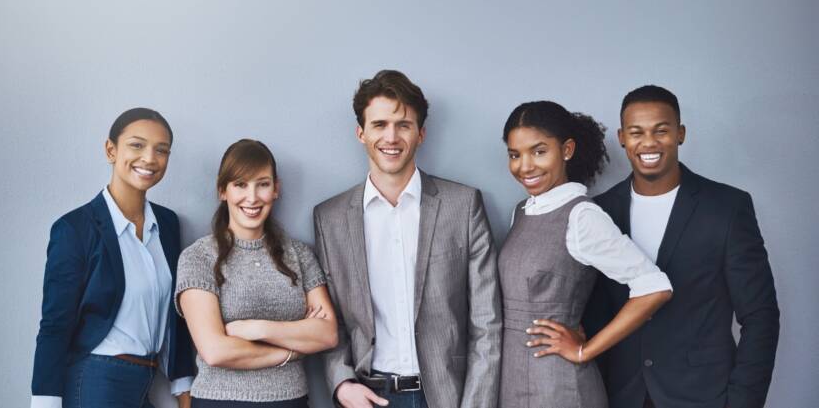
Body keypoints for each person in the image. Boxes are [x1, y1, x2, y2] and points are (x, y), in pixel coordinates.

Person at [313, 70, 502, 408]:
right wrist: (342, 384)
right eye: (380, 124)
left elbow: (486, 322)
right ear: (361, 133)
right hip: (369, 396)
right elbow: (332, 320)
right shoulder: (330, 218)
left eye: (403, 125)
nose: (392, 136)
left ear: (421, 134)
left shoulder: (463, 205)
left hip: (446, 398)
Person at [583, 85, 780, 408]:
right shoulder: (600, 211)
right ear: (621, 138)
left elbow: (761, 316)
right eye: (636, 132)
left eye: (661, 130)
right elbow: (596, 312)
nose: (648, 142)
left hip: (703, 396)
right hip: (620, 395)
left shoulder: (727, 207)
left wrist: (744, 402)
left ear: (681, 134)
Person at [499, 100, 673, 408]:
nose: (525, 166)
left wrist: (584, 350)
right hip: (512, 380)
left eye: (539, 151)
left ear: (566, 150)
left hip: (559, 388)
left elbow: (654, 288)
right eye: (515, 155)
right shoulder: (522, 211)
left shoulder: (581, 216)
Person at [31, 108, 194, 408]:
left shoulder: (168, 224)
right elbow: (55, 325)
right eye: (137, 145)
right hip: (95, 380)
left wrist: (183, 389)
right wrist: (45, 403)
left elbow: (175, 313)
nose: (149, 158)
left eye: (162, 150)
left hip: (146, 379)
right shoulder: (74, 229)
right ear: (111, 150)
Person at [176, 139, 338, 408]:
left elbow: (327, 334)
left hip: (290, 401)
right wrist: (291, 351)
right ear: (222, 191)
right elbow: (215, 351)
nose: (252, 198)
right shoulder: (198, 257)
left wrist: (254, 328)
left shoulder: (299, 254)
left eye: (262, 184)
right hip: (220, 401)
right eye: (240, 184)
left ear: (276, 189)